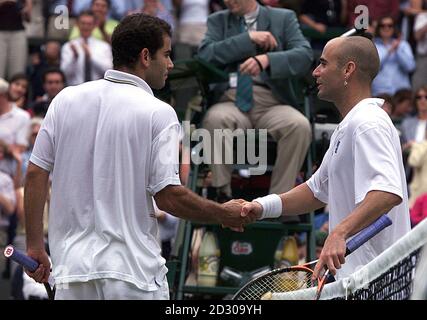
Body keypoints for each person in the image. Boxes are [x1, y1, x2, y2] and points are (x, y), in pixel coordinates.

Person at [24, 13, 252, 300]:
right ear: (146, 56)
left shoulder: (65, 100)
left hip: (73, 275)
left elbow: (35, 173)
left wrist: (35, 245)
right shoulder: (160, 112)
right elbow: (168, 196)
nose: (170, 64)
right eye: (166, 55)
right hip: (133, 277)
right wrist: (222, 213)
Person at [241, 36, 411, 280]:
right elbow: (315, 191)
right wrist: (259, 207)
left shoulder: (368, 123)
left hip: (377, 282)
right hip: (356, 281)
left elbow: (387, 193)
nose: (315, 72)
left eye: (323, 64)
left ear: (348, 70)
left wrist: (339, 232)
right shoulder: (349, 125)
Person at [198, 0, 313, 202]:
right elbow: (205, 55)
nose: (228, 1)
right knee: (214, 119)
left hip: (272, 101)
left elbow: (304, 55)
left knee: (299, 125)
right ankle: (221, 194)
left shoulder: (283, 17)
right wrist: (247, 39)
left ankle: (279, 200)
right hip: (231, 101)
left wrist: (267, 60)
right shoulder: (218, 20)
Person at [60, 10, 113, 86]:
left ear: (94, 25)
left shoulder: (104, 47)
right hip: (75, 89)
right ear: (77, 24)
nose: (86, 27)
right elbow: (64, 74)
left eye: (89, 24)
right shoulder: (69, 46)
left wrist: (90, 56)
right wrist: (74, 58)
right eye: (83, 23)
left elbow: (109, 71)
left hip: (97, 90)